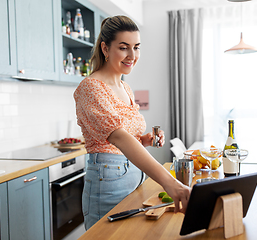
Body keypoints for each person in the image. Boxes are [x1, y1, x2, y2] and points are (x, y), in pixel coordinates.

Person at [74, 15, 191, 230]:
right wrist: (169, 182)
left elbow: (126, 136)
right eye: (123, 47)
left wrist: (144, 140)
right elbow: (118, 136)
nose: (132, 55)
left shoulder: (125, 88)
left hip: (135, 176)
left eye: (136, 47)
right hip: (108, 179)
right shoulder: (91, 87)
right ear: (105, 48)